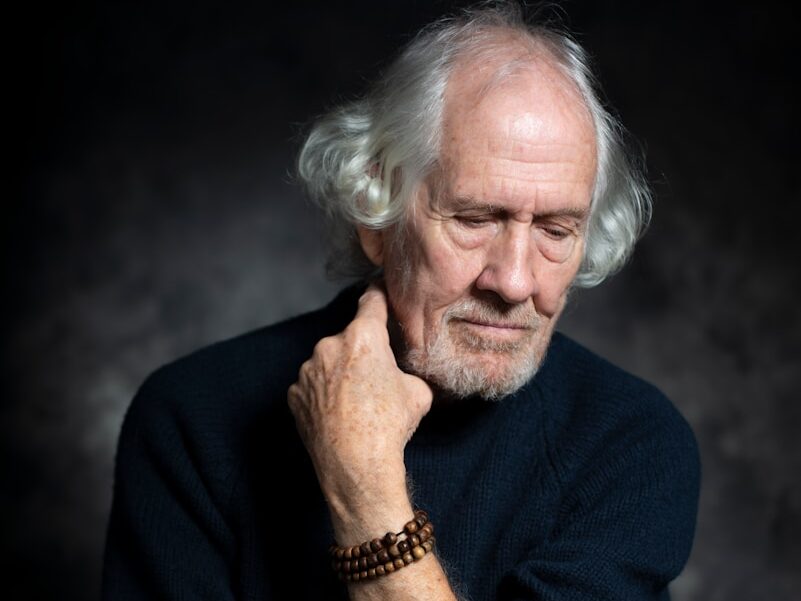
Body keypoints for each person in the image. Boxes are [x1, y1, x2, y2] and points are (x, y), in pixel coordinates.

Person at [102, 3, 700, 600]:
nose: (515, 282)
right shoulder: (193, 419)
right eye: (474, 220)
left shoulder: (635, 445)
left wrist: (364, 485)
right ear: (376, 216)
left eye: (556, 230)